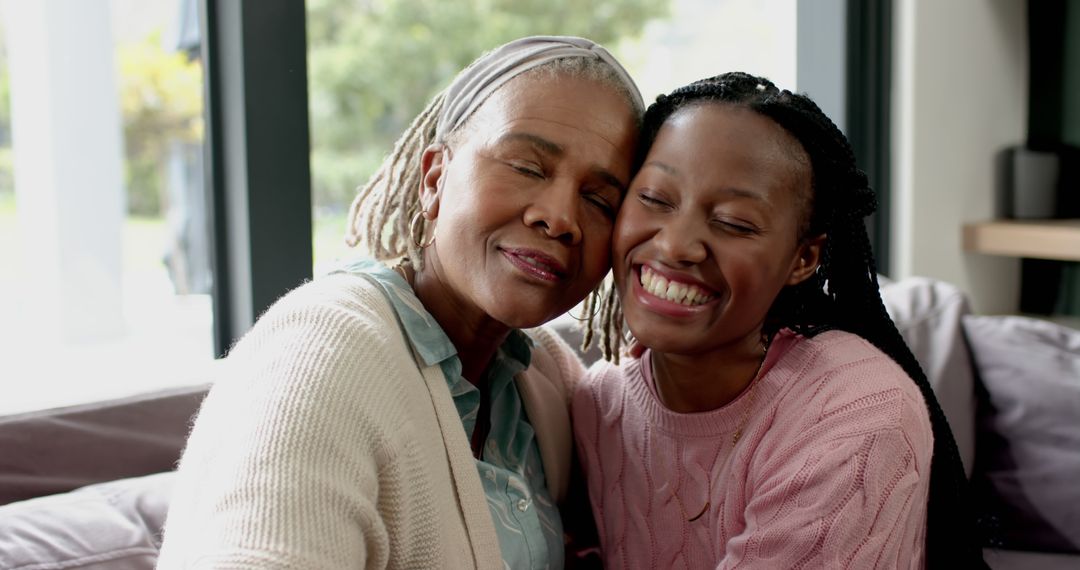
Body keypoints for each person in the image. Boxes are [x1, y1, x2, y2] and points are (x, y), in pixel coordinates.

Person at [157, 36, 642, 569]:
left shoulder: (542, 374)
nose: (560, 217)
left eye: (599, 199)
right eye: (527, 167)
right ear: (434, 180)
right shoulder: (319, 351)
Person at [572, 72, 987, 568]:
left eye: (734, 223)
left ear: (803, 259)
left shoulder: (857, 412)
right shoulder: (596, 404)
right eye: (656, 199)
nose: (675, 245)